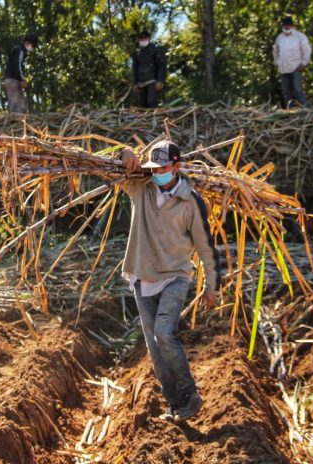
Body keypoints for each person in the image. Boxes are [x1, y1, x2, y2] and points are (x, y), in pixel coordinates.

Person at [120, 141, 220, 422]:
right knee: (154, 347)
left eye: (163, 168)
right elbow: (111, 173)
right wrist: (123, 154)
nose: (157, 173)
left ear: (177, 166)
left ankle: (190, 395)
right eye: (153, 168)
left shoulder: (191, 202)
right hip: (142, 276)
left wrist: (211, 286)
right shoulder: (140, 188)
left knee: (164, 334)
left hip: (175, 276)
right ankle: (175, 404)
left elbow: (204, 247)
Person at [272, 16, 311, 108]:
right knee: (286, 92)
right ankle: (290, 110)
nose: (287, 27)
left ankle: (306, 109)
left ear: (292, 26)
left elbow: (306, 50)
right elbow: (275, 50)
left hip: (296, 67)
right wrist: (277, 62)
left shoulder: (300, 37)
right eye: (285, 25)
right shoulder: (280, 37)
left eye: (288, 25)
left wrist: (304, 63)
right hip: (283, 68)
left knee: (297, 89)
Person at [3, 34, 39, 114]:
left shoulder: (17, 50)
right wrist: (22, 79)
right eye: (32, 46)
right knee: (17, 104)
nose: (32, 48)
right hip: (12, 80)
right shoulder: (20, 50)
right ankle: (18, 122)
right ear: (27, 43)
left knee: (20, 103)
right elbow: (17, 65)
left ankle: (20, 121)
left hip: (10, 80)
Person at [131, 31, 167, 108]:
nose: (143, 39)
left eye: (145, 37)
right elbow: (135, 69)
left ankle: (155, 119)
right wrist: (135, 84)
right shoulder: (137, 53)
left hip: (153, 82)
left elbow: (161, 66)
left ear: (149, 38)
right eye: (141, 37)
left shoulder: (156, 50)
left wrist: (160, 80)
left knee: (151, 102)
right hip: (141, 83)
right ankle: (146, 120)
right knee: (142, 106)